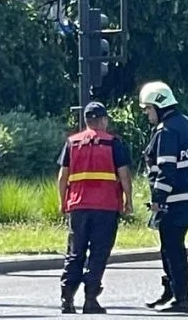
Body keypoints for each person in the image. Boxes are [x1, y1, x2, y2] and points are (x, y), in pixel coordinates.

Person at [57, 102, 133, 314]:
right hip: (106, 206)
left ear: (86, 121)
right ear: (104, 120)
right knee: (98, 253)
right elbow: (124, 175)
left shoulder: (72, 143)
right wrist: (128, 200)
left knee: (75, 252)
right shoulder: (113, 143)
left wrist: (62, 201)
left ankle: (67, 299)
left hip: (78, 206)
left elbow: (63, 176)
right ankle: (90, 299)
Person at [140, 81, 188, 314]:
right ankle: (172, 291)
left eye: (148, 108)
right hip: (187, 198)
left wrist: (158, 198)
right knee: (171, 247)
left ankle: (181, 297)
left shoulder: (167, 130)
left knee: (172, 249)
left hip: (172, 201)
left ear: (159, 105)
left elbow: (167, 168)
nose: (147, 114)